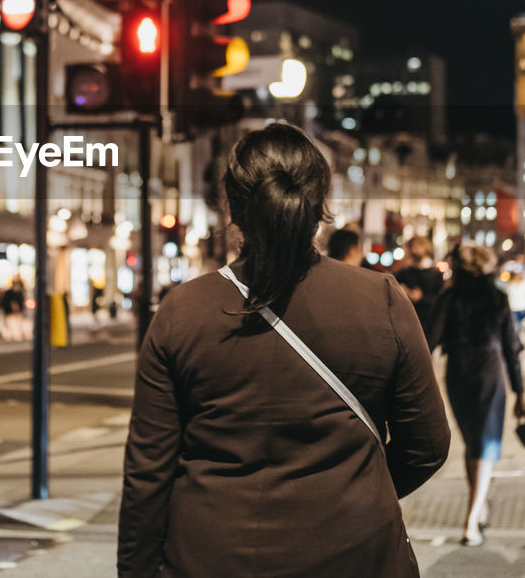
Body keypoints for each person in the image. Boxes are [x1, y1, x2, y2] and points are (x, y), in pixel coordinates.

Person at [119, 123, 450, 577]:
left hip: (210, 555)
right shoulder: (382, 301)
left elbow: (147, 475)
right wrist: (355, 491)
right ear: (319, 205)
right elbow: (427, 446)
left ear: (233, 207)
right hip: (354, 553)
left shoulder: (182, 312)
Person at [428, 244, 525, 547]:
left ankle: (478, 505)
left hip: (457, 375)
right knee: (483, 445)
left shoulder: (449, 298)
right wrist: (519, 391)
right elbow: (511, 348)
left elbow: (429, 339)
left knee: (474, 443)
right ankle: (471, 521)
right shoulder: (496, 298)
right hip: (489, 376)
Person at [392, 235, 445, 335]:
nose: (414, 249)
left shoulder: (435, 274)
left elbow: (439, 300)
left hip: (427, 322)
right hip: (406, 321)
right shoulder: (404, 272)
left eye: (418, 246)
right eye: (412, 246)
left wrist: (421, 297)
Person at [0, 277, 29, 341]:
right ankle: (14, 337)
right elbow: (8, 304)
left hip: (16, 313)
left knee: (16, 328)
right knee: (14, 328)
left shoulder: (20, 293)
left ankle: (16, 337)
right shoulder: (10, 293)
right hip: (11, 313)